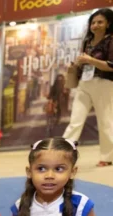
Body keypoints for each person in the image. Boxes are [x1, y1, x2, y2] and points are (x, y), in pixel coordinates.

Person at [63, 8, 113, 168]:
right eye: (93, 22)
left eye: (100, 22)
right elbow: (84, 63)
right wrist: (75, 65)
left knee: (106, 121)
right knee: (75, 120)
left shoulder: (111, 40)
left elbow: (111, 66)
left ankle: (107, 156)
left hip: (104, 83)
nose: (96, 25)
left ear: (108, 24)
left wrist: (90, 60)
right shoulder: (87, 42)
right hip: (84, 83)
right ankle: (63, 155)